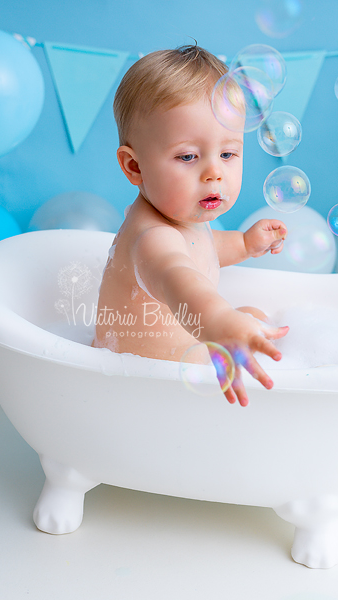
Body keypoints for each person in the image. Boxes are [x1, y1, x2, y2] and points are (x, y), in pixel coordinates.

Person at [92, 45, 289, 407]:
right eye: (188, 156)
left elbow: (203, 252)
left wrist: (244, 244)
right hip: (145, 384)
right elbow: (178, 278)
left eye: (228, 154)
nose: (214, 172)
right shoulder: (153, 238)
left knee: (254, 319)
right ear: (135, 167)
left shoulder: (181, 217)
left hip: (180, 362)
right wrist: (217, 323)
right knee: (244, 322)